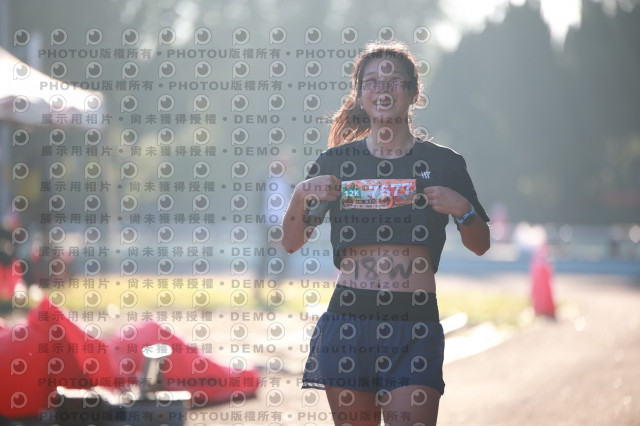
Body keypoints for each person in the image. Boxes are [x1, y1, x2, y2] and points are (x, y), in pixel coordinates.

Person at [282, 40, 490, 426]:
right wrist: (299, 195)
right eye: (372, 81)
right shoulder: (335, 162)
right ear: (360, 95)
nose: (383, 88)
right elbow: (292, 242)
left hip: (414, 326)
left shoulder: (445, 163)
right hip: (348, 323)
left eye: (394, 81)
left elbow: (481, 245)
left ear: (413, 93)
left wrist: (462, 209)